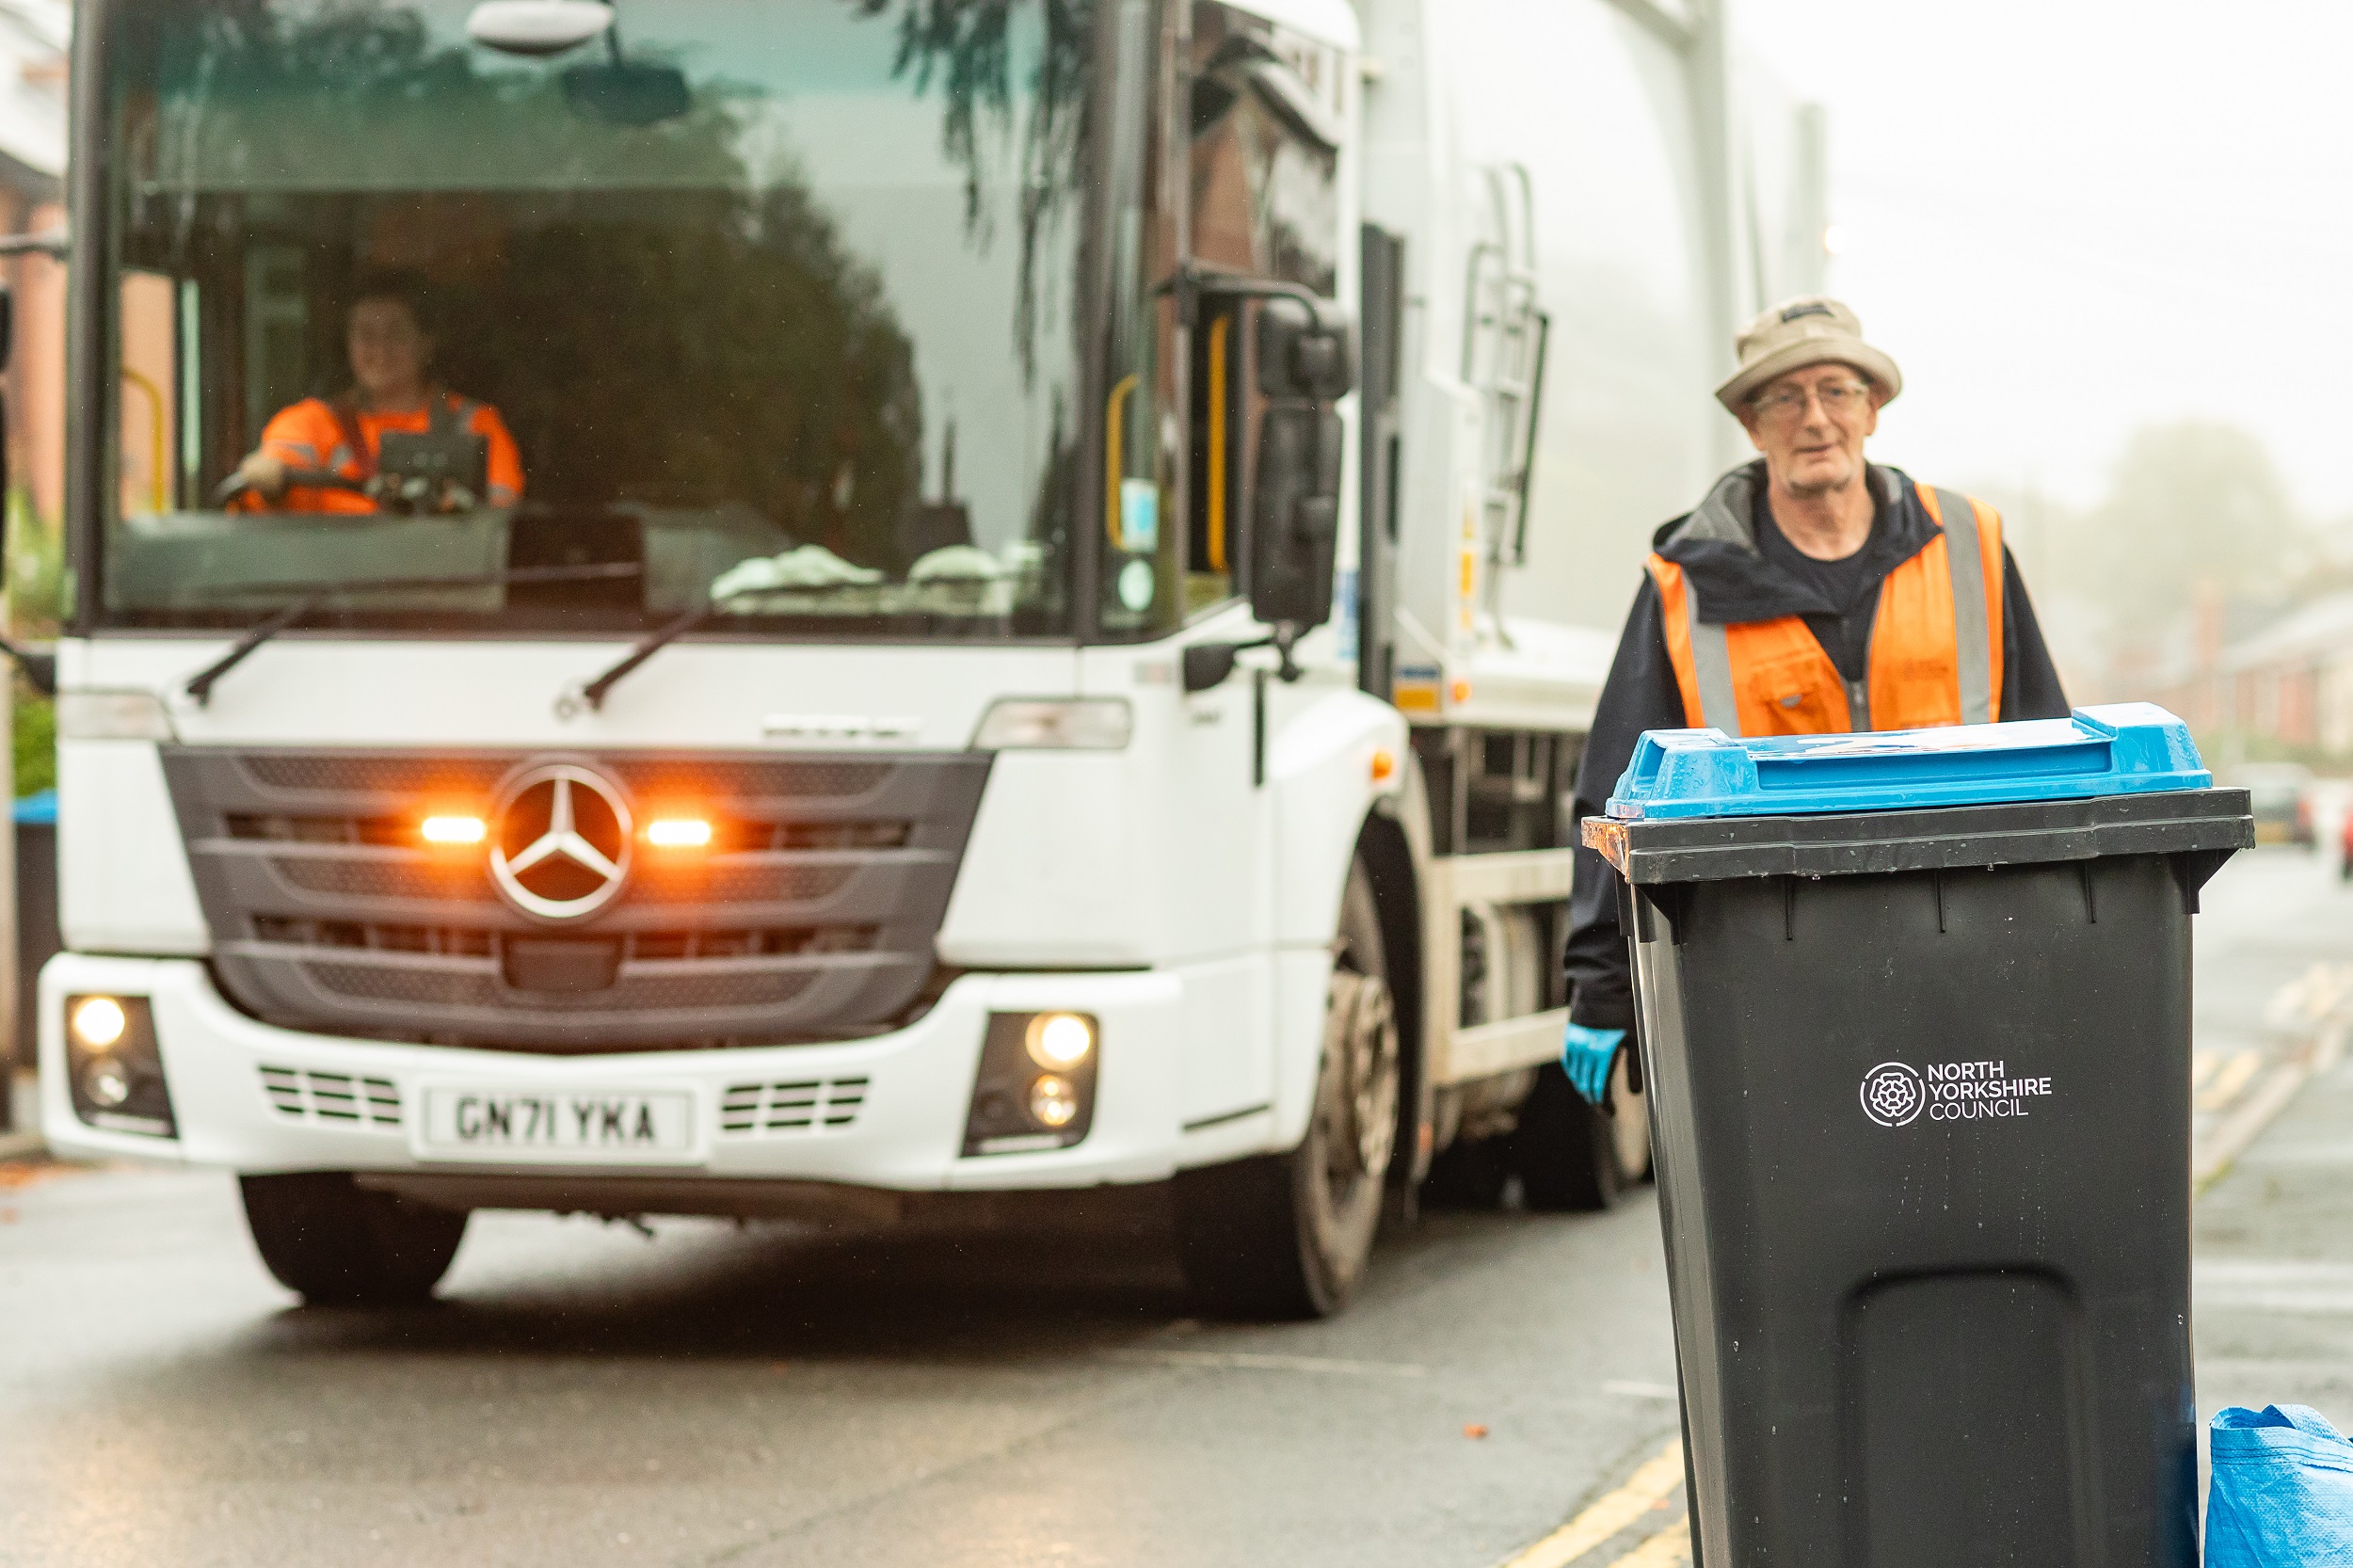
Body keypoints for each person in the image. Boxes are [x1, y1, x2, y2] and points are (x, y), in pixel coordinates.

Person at [1559, 296, 2072, 1105]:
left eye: (1836, 390)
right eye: (1783, 398)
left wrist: (2063, 933)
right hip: (1772, 961)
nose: (1814, 419)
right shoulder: (1686, 581)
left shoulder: (1971, 545)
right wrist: (1600, 983)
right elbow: (1616, 792)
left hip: (1965, 945)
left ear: (1873, 409)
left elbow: (2051, 751)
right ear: (1753, 427)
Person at [231, 271, 523, 513]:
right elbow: (267, 477)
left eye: (396, 334)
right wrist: (266, 478)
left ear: (426, 343)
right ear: (348, 344)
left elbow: (498, 516)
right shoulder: (310, 423)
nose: (381, 351)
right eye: (366, 336)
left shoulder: (475, 423)